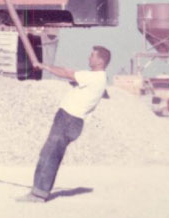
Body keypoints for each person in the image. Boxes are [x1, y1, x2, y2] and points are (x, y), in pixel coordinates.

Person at [18, 45, 111, 202]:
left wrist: (44, 66)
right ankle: (39, 191)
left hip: (68, 118)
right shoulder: (98, 78)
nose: (89, 58)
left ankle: (38, 194)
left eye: (92, 55)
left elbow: (67, 72)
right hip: (73, 120)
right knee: (50, 153)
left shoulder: (94, 77)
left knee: (49, 155)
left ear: (100, 60)